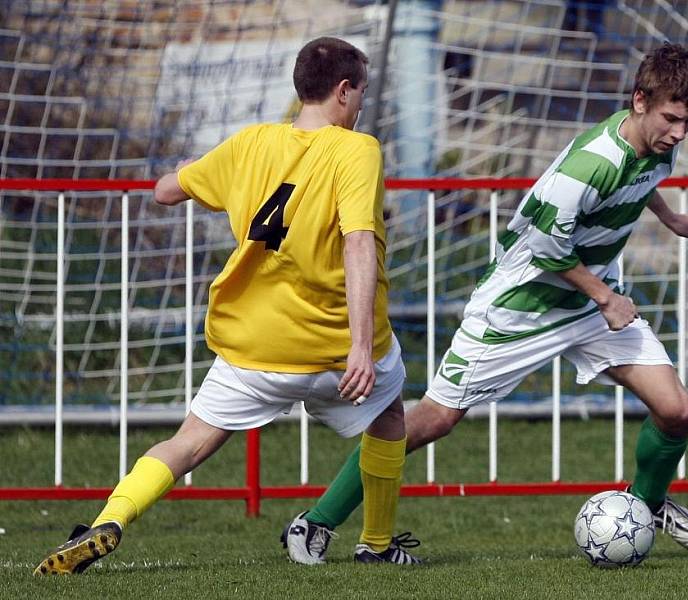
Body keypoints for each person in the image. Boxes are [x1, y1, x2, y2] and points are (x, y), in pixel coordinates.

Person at [282, 42, 688, 565]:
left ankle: (645, 507)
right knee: (432, 420)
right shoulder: (589, 163)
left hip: (587, 303)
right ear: (640, 100)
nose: (679, 133)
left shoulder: (657, 143)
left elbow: (642, 179)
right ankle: (316, 522)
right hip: (521, 304)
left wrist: (671, 219)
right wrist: (606, 297)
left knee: (677, 410)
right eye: (673, 119)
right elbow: (545, 245)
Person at [34, 36, 421, 575]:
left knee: (187, 443)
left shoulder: (249, 144)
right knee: (390, 418)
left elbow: (165, 191)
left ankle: (110, 520)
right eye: (360, 93)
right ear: (342, 91)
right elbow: (358, 241)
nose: (360, 105)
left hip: (253, 345)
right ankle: (376, 544)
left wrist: (196, 170)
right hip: (336, 350)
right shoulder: (357, 149)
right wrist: (360, 345)